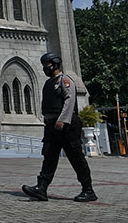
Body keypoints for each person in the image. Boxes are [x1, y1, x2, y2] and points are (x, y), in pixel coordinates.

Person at [22, 52, 98, 202]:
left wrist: (62, 120)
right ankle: (41, 188)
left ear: (55, 65)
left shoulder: (65, 80)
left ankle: (88, 190)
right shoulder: (48, 83)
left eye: (47, 66)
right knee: (49, 156)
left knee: (76, 157)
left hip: (66, 125)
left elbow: (69, 101)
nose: (45, 69)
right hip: (51, 125)